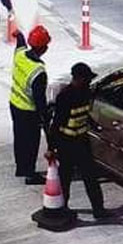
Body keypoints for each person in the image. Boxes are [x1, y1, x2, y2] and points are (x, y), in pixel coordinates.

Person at [48, 63, 109, 219]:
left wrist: (95, 126)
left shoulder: (86, 92)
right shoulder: (65, 96)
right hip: (66, 144)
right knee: (65, 179)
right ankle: (62, 208)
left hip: (82, 141)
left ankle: (98, 209)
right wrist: (51, 147)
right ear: (78, 78)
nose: (89, 82)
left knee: (91, 177)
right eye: (87, 79)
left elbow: (85, 114)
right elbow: (56, 124)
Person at [10, 25, 51, 185]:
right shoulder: (38, 72)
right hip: (28, 111)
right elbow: (39, 100)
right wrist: (45, 118)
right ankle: (29, 173)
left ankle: (21, 168)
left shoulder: (20, 55)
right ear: (44, 48)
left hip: (14, 104)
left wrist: (19, 35)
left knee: (19, 138)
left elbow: (20, 44)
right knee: (31, 142)